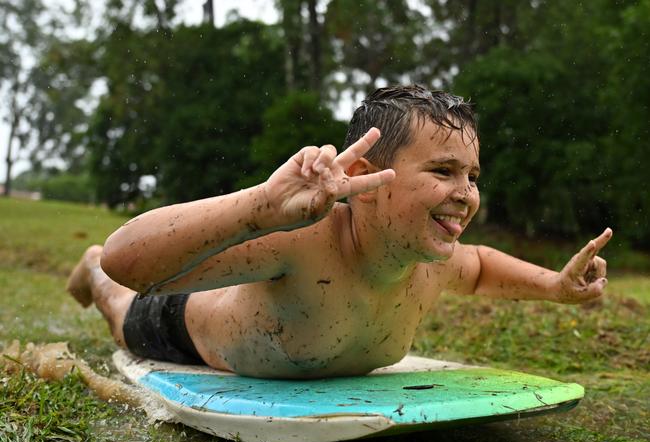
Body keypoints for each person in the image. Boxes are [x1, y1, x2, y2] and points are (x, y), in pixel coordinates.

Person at [67, 85, 611, 379]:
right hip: (184, 323)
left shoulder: (433, 259)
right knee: (118, 303)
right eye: (443, 172)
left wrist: (555, 287)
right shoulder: (306, 240)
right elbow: (130, 263)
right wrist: (261, 205)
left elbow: (483, 265)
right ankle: (85, 272)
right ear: (364, 180)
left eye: (472, 176)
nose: (467, 194)